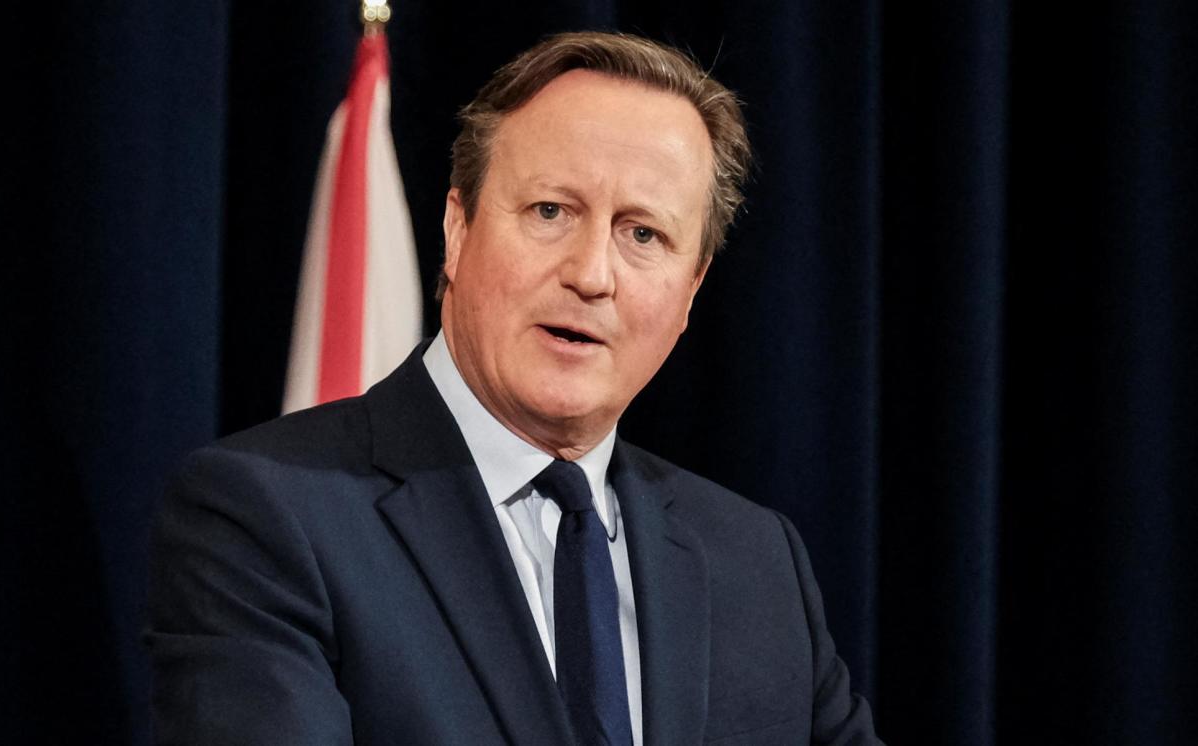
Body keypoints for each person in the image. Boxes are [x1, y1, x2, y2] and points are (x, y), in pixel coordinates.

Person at [146, 31, 881, 745]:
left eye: (644, 234)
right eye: (550, 212)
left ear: (691, 289)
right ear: (457, 230)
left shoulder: (755, 562)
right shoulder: (267, 516)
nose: (592, 275)